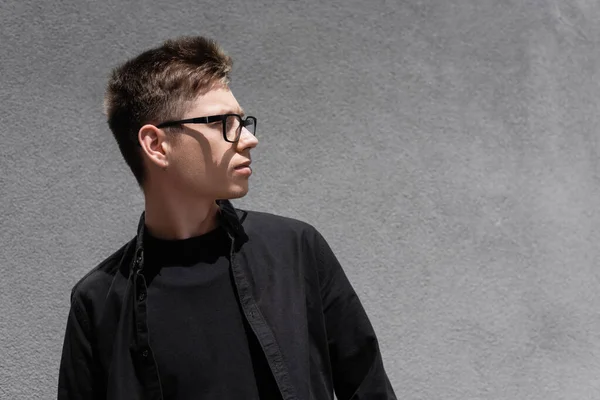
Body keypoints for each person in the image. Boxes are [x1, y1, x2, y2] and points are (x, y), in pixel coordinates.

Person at [57, 35, 396, 400]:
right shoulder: (98, 303)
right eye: (224, 123)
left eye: (242, 121)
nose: (248, 139)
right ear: (157, 145)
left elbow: (368, 388)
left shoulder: (296, 252)